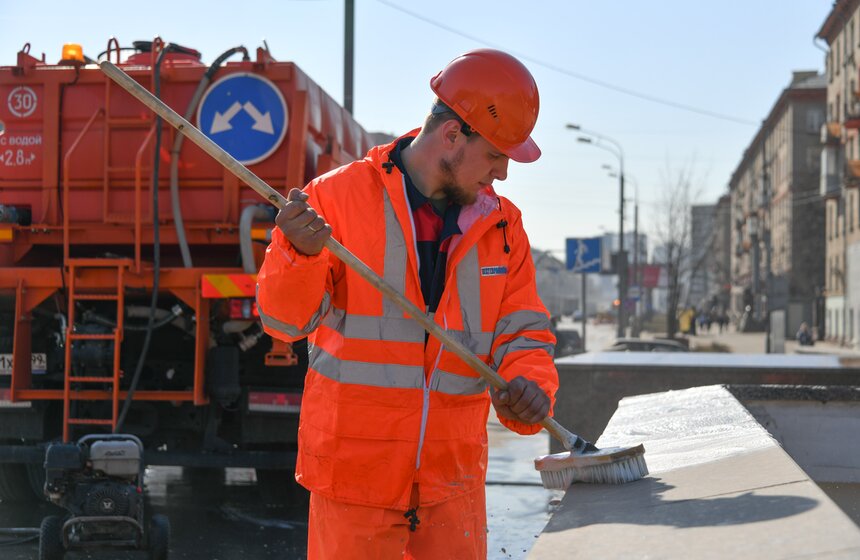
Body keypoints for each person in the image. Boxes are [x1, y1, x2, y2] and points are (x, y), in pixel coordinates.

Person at [256, 49, 558, 559]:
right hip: (354, 484)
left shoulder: (504, 227)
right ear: (453, 135)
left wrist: (531, 385)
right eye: (495, 155)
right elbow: (283, 323)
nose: (503, 173)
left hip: (451, 486)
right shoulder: (335, 200)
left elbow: (523, 331)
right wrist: (298, 255)